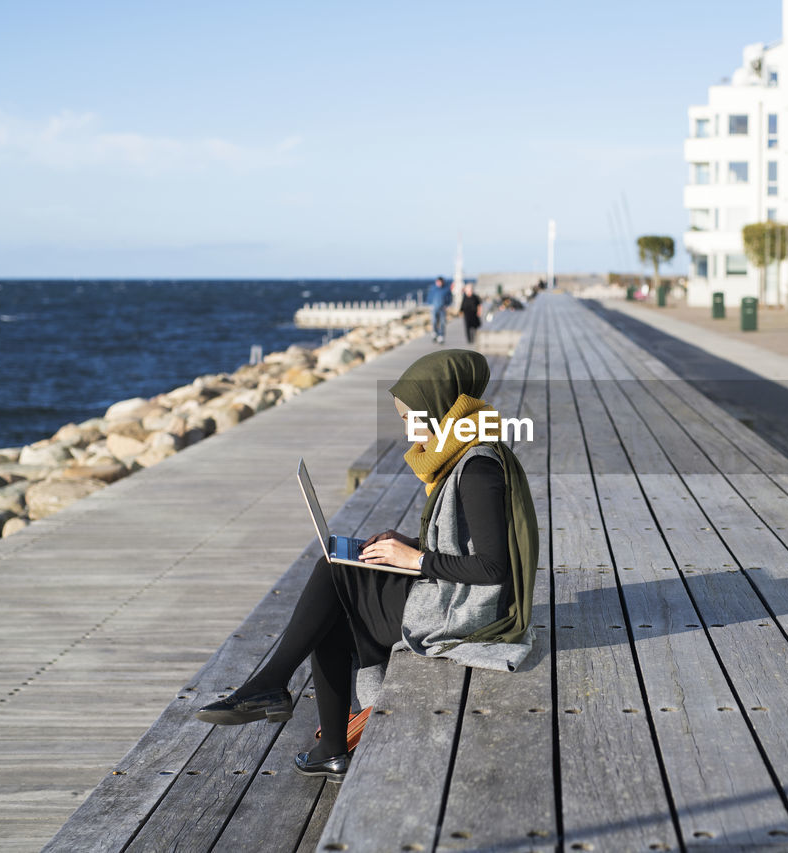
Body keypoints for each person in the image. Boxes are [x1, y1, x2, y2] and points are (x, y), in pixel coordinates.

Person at [195, 350, 539, 781]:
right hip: (451, 591)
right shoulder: (464, 452)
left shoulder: (476, 469)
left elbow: (494, 568)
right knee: (336, 587)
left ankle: (280, 693)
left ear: (439, 408)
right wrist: (408, 543)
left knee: (335, 578)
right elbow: (470, 542)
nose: (405, 427)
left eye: (410, 415)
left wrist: (414, 559)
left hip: (463, 611)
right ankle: (322, 740)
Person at [426, 277, 452, 343]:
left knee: (442, 323)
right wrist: (430, 304)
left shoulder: (446, 289)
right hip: (434, 308)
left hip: (442, 309)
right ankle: (435, 333)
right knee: (434, 321)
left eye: (440, 282)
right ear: (436, 282)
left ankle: (441, 336)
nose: (439, 283)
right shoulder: (433, 288)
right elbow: (429, 297)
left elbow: (450, 298)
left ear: (443, 282)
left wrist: (447, 305)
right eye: (438, 282)